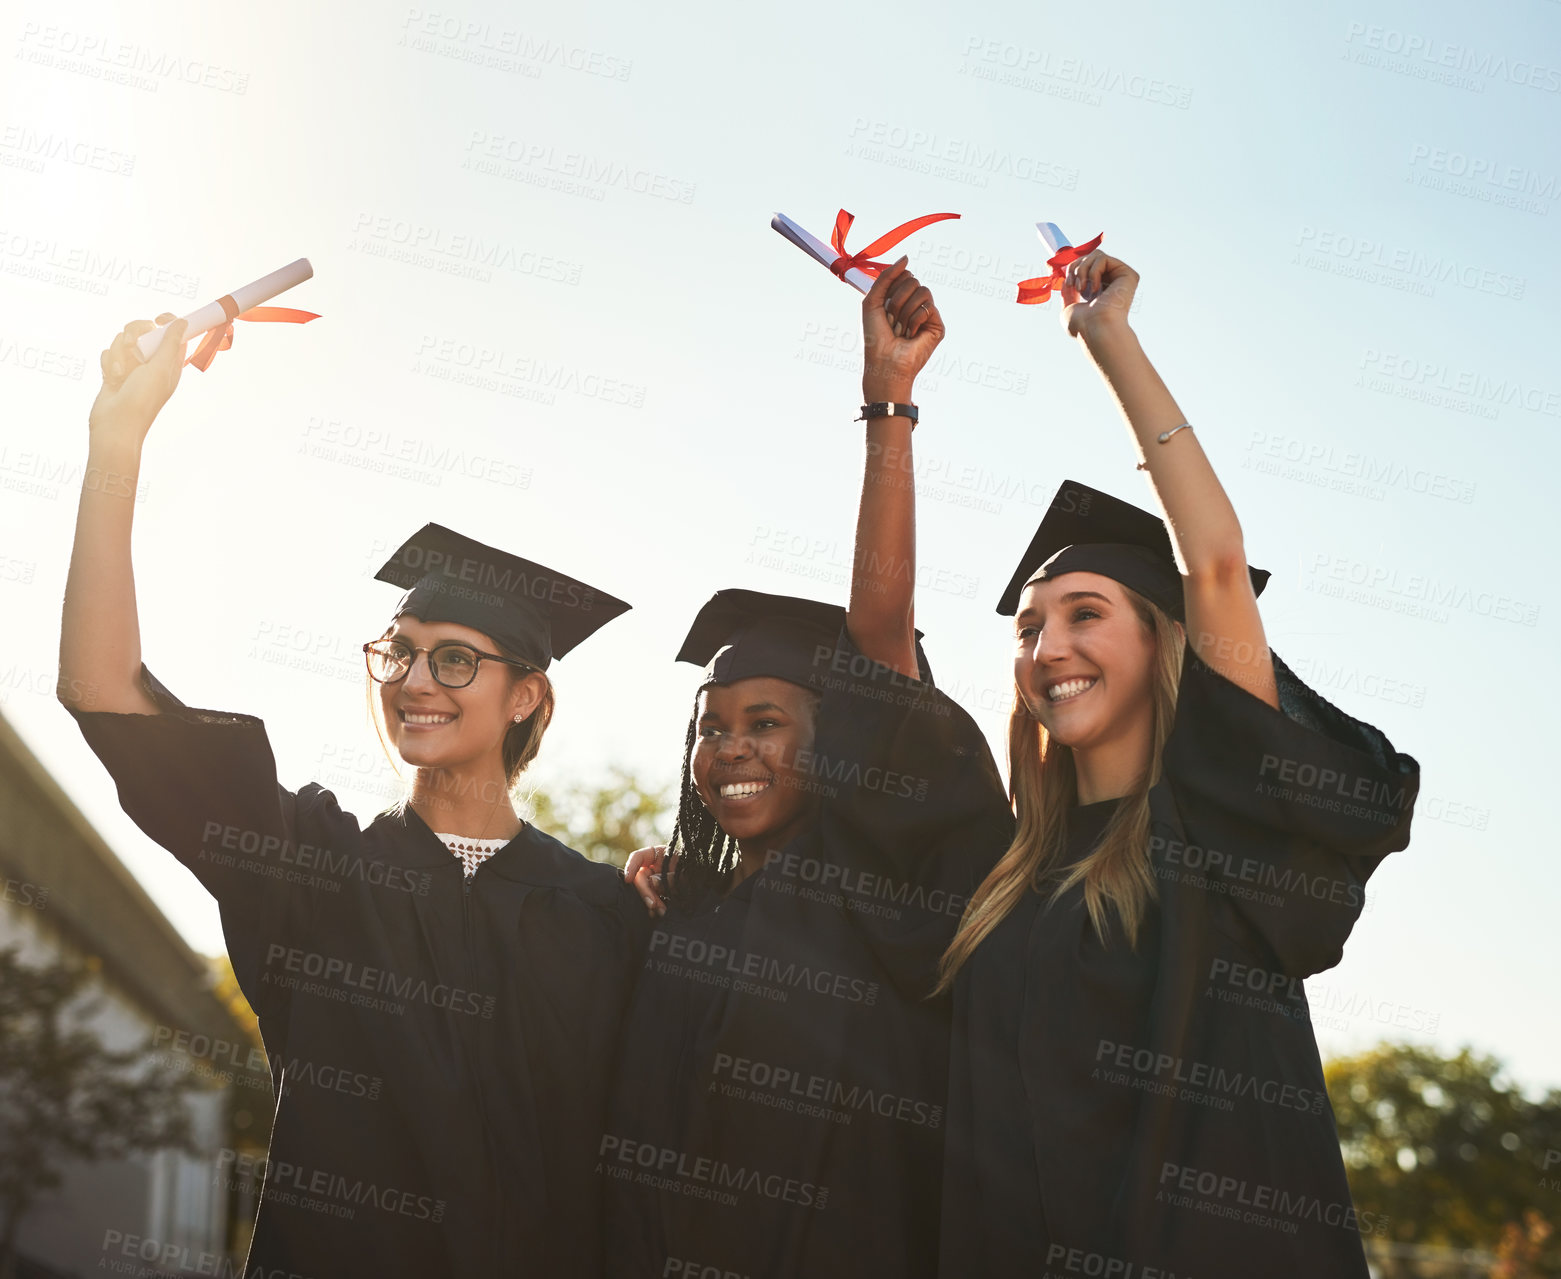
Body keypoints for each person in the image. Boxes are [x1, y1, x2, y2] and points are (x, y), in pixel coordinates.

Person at [58, 316, 648, 1276]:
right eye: (399, 651)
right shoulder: (315, 867)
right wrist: (115, 440)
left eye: (455, 659)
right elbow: (103, 692)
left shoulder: (607, 915)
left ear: (527, 695)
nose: (415, 678)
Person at [932, 249, 1422, 1277]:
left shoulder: (1216, 821)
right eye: (1027, 628)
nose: (1046, 648)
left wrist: (1111, 343)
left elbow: (1210, 562)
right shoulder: (1008, 873)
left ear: (1164, 640)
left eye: (1084, 614)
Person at [604, 265, 1010, 1277]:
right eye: (714, 725)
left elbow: (878, 639)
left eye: (769, 721)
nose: (732, 746)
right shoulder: (679, 925)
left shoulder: (877, 884)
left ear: (842, 743)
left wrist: (890, 406)